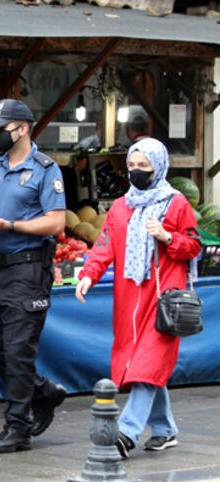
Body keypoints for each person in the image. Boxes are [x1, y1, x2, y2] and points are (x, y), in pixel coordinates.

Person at [75, 138, 201, 459]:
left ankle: (127, 433)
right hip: (129, 302)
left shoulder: (177, 204)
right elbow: (104, 245)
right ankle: (164, 429)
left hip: (163, 300)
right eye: (131, 166)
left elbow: (192, 246)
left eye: (143, 166)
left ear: (158, 166)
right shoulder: (121, 207)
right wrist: (89, 273)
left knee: (147, 364)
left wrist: (167, 236)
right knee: (144, 367)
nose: (136, 172)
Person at [0, 99, 67, 453]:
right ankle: (42, 390)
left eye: (5, 127)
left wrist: (11, 224)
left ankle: (18, 428)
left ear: (24, 128)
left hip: (29, 269)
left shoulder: (45, 170)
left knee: (17, 350)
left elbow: (56, 222)